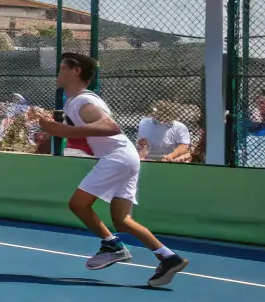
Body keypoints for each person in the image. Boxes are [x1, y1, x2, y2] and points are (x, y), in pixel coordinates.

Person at [32, 53, 188, 288]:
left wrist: (60, 131)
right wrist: (54, 127)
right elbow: (88, 136)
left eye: (63, 68)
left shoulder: (82, 102)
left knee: (78, 204)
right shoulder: (78, 101)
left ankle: (111, 245)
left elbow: (109, 127)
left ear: (75, 71)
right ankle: (169, 257)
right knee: (122, 220)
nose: (58, 72)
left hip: (117, 157)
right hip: (126, 157)